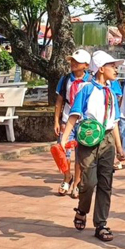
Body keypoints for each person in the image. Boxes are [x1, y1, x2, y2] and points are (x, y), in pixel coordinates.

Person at [60, 51, 125, 243]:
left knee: (106, 184)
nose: (116, 69)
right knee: (88, 182)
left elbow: (114, 123)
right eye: (112, 66)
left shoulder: (112, 93)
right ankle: (82, 209)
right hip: (88, 140)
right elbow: (74, 115)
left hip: (107, 142)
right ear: (101, 69)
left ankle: (101, 224)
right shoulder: (87, 90)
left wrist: (120, 149)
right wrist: (64, 139)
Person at [53, 50, 92, 197]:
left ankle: (77, 182)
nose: (73, 64)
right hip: (66, 118)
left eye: (77, 62)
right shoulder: (65, 79)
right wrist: (56, 120)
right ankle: (66, 177)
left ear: (86, 65)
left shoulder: (91, 81)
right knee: (63, 151)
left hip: (83, 121)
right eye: (72, 61)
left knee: (80, 153)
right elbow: (59, 101)